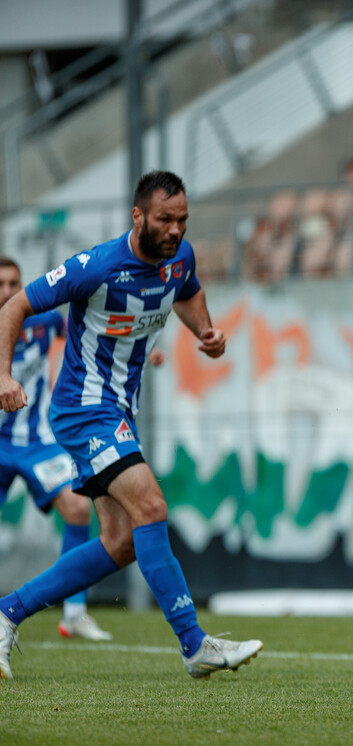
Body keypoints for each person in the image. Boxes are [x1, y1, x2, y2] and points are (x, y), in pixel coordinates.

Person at [0, 170, 262, 681]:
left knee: (120, 541)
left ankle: (8, 611)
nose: (175, 230)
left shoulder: (178, 257)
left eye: (183, 220)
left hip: (119, 412)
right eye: (165, 219)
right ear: (138, 216)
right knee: (152, 506)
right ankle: (194, 645)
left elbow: (188, 292)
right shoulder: (95, 266)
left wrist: (205, 331)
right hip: (83, 410)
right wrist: (2, 373)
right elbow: (15, 306)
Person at [0, 257, 112, 641]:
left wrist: (143, 355)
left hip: (36, 443)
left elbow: (87, 336)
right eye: (0, 283)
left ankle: (75, 613)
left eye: (13, 283)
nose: (7, 291)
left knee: (79, 507)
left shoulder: (43, 321)